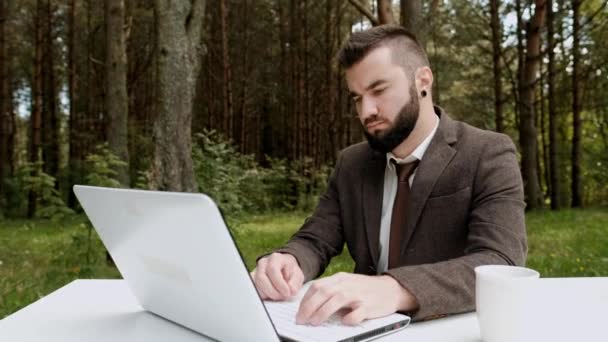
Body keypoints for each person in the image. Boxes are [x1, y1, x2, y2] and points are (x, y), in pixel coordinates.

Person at [251, 25, 527, 326]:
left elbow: (500, 261)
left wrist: (394, 289)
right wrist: (289, 260)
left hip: (448, 330)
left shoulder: (487, 153)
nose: (366, 111)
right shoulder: (352, 164)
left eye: (378, 90)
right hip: (357, 328)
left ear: (422, 80)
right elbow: (316, 238)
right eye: (357, 98)